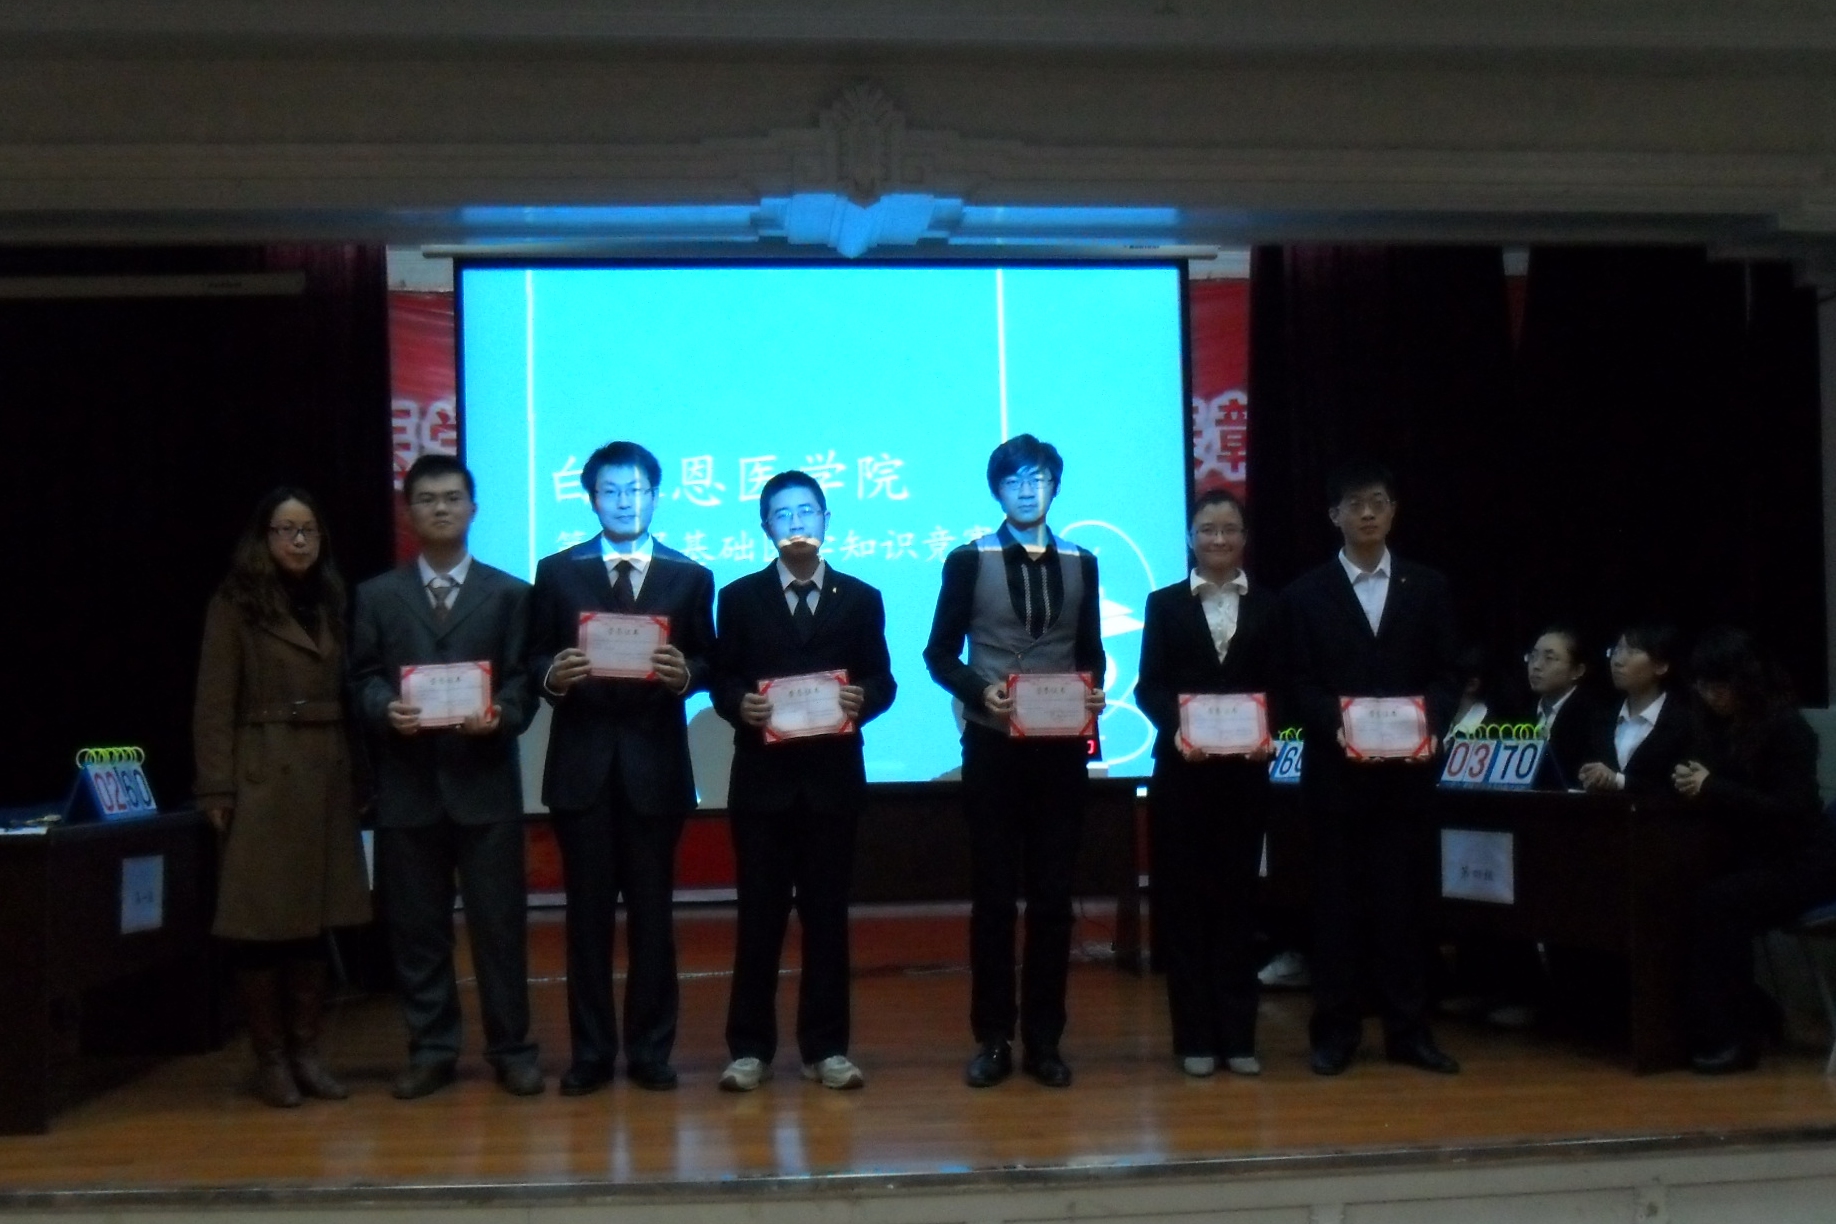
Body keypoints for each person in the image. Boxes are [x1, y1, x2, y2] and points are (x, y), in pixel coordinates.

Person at [349, 454, 543, 1100]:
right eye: (427, 499)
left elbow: (523, 682)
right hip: (408, 789)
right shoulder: (377, 596)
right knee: (417, 931)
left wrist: (503, 714)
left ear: (473, 508)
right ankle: (431, 1049)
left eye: (452, 498)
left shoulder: (510, 593)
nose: (440, 508)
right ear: (408, 513)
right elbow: (361, 678)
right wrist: (384, 708)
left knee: (499, 929)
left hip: (485, 787)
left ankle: (512, 1049)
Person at [529, 440, 715, 1094]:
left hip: (654, 769)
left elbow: (709, 659)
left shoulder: (689, 575)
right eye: (610, 491)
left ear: (655, 496)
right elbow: (532, 657)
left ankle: (650, 1051)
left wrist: (686, 674)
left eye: (635, 491)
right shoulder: (558, 572)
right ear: (590, 499)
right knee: (585, 923)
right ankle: (589, 1054)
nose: (624, 502)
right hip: (581, 769)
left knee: (653, 920)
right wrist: (551, 675)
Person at [923, 433, 1106, 1089]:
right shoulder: (969, 559)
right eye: (1014, 481)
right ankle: (994, 1038)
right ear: (996, 490)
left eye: (1038, 479)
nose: (1027, 491)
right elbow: (939, 654)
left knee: (1054, 899)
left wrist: (1095, 689)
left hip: (1061, 750)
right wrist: (981, 692)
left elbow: (1091, 651)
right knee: (995, 898)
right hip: (993, 746)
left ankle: (1046, 1040)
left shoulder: (1083, 561)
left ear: (1056, 485)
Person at [709, 471, 897, 1092]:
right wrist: (739, 704)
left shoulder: (860, 597)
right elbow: (723, 678)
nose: (796, 523)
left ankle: (827, 1049)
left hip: (832, 783)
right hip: (762, 786)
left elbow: (883, 679)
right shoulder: (739, 597)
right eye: (783, 514)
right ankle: (749, 1050)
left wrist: (863, 698)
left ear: (826, 520)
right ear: (765, 526)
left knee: (827, 920)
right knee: (758, 920)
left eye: (807, 511)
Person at [192, 487, 371, 1108]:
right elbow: (213, 701)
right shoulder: (235, 603)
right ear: (262, 538)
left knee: (315, 919)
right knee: (262, 922)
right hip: (262, 773)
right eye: (285, 529)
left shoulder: (331, 599)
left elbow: (348, 695)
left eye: (308, 530)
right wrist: (216, 785)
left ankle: (307, 1053)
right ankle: (270, 1059)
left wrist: (361, 777)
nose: (298, 540)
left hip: (326, 772)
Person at [1282, 459, 1462, 1076]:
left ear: (1393, 511)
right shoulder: (1304, 595)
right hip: (1336, 779)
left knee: (1405, 909)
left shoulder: (1428, 587)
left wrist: (1429, 722)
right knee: (1335, 911)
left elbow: (1447, 673)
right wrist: (1333, 724)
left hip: (1407, 780)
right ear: (1334, 515)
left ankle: (1409, 1032)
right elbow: (1297, 682)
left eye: (1378, 502)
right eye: (1355, 503)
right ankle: (1336, 1033)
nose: (1367, 513)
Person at [1136, 489, 1282, 1077]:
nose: (1219, 539)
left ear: (1244, 538)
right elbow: (1149, 685)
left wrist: (1267, 726)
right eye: (1207, 529)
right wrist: (1181, 729)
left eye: (1229, 529)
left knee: (1237, 904)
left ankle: (1239, 1037)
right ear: (1190, 538)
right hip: (1183, 774)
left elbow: (1282, 684)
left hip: (1245, 776)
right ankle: (1195, 1037)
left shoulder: (1271, 606)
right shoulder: (1164, 604)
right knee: (1185, 905)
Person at [1673, 628, 1836, 1072]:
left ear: (1744, 680)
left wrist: (1713, 786)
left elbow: (1791, 810)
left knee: (1719, 904)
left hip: (1802, 862)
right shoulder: (1722, 728)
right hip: (1759, 858)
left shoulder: (1788, 728)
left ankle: (1734, 1037)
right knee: (1684, 897)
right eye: (1702, 686)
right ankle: (1749, 1015)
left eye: (1718, 685)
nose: (1710, 696)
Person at [1577, 624, 1691, 796]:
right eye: (1616, 651)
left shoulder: (1683, 722)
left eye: (1631, 652)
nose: (1617, 661)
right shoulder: (1601, 717)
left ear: (1661, 665)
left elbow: (1678, 791)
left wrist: (1619, 781)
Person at [1523, 624, 1598, 791]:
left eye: (1549, 658)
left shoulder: (1593, 717)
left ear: (1577, 671)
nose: (1536, 666)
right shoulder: (1520, 712)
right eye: (1533, 656)